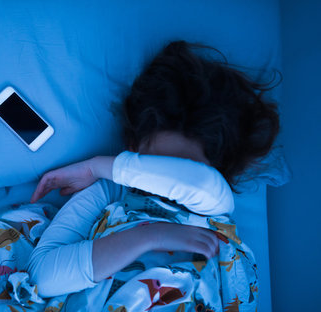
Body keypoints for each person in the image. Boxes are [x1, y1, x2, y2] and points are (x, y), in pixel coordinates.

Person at [27, 40, 280, 309]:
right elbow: (42, 276)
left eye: (182, 166)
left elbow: (200, 184)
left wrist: (95, 166)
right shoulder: (108, 191)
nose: (163, 179)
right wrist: (149, 236)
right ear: (133, 151)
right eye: (154, 163)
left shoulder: (215, 207)